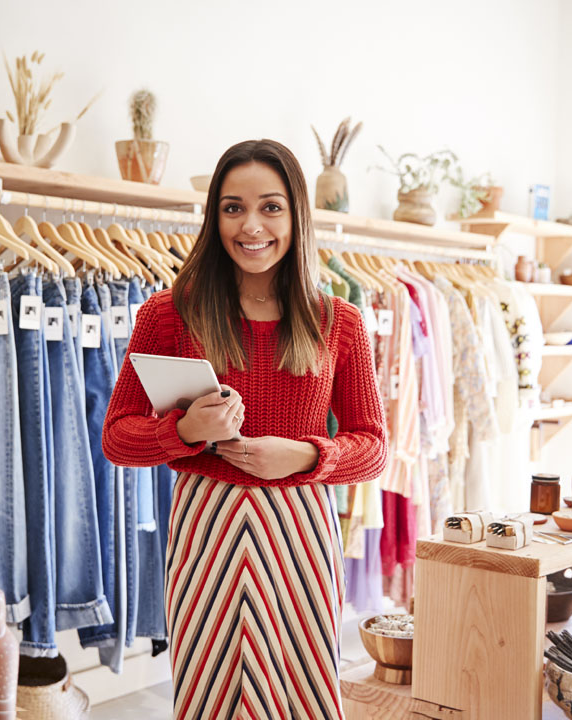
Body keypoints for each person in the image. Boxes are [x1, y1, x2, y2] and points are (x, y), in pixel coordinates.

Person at [102, 138, 388, 719]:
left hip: (299, 530)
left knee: (298, 691)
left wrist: (307, 456)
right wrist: (181, 430)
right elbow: (116, 437)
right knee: (212, 692)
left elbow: (375, 447)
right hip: (205, 529)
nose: (251, 225)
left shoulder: (339, 321)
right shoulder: (168, 313)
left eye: (271, 207)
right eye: (233, 207)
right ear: (215, 216)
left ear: (296, 214)